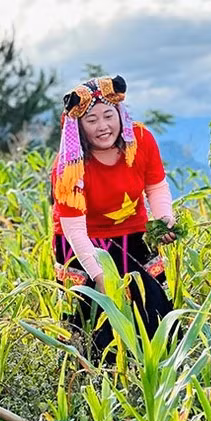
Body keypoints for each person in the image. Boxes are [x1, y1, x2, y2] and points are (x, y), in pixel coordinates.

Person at [51, 75, 177, 359]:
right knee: (92, 324)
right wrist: (100, 275)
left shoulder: (141, 141)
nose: (102, 126)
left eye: (109, 115)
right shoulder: (69, 164)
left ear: (120, 115)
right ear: (79, 127)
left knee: (153, 312)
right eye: (91, 120)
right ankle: (95, 382)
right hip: (82, 243)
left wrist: (163, 220)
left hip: (133, 235)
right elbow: (74, 229)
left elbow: (155, 185)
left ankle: (158, 370)